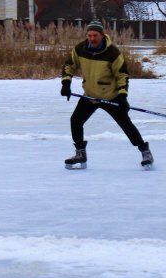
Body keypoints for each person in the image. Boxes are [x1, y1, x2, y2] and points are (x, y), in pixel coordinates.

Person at [61, 21, 153, 170]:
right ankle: (80, 153)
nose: (92, 38)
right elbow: (68, 65)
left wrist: (122, 96)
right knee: (75, 121)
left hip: (110, 96)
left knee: (126, 124)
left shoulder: (113, 53)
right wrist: (66, 83)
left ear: (102, 35)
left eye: (95, 35)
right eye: (89, 35)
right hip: (90, 96)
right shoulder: (80, 49)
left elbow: (122, 75)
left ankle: (145, 151)